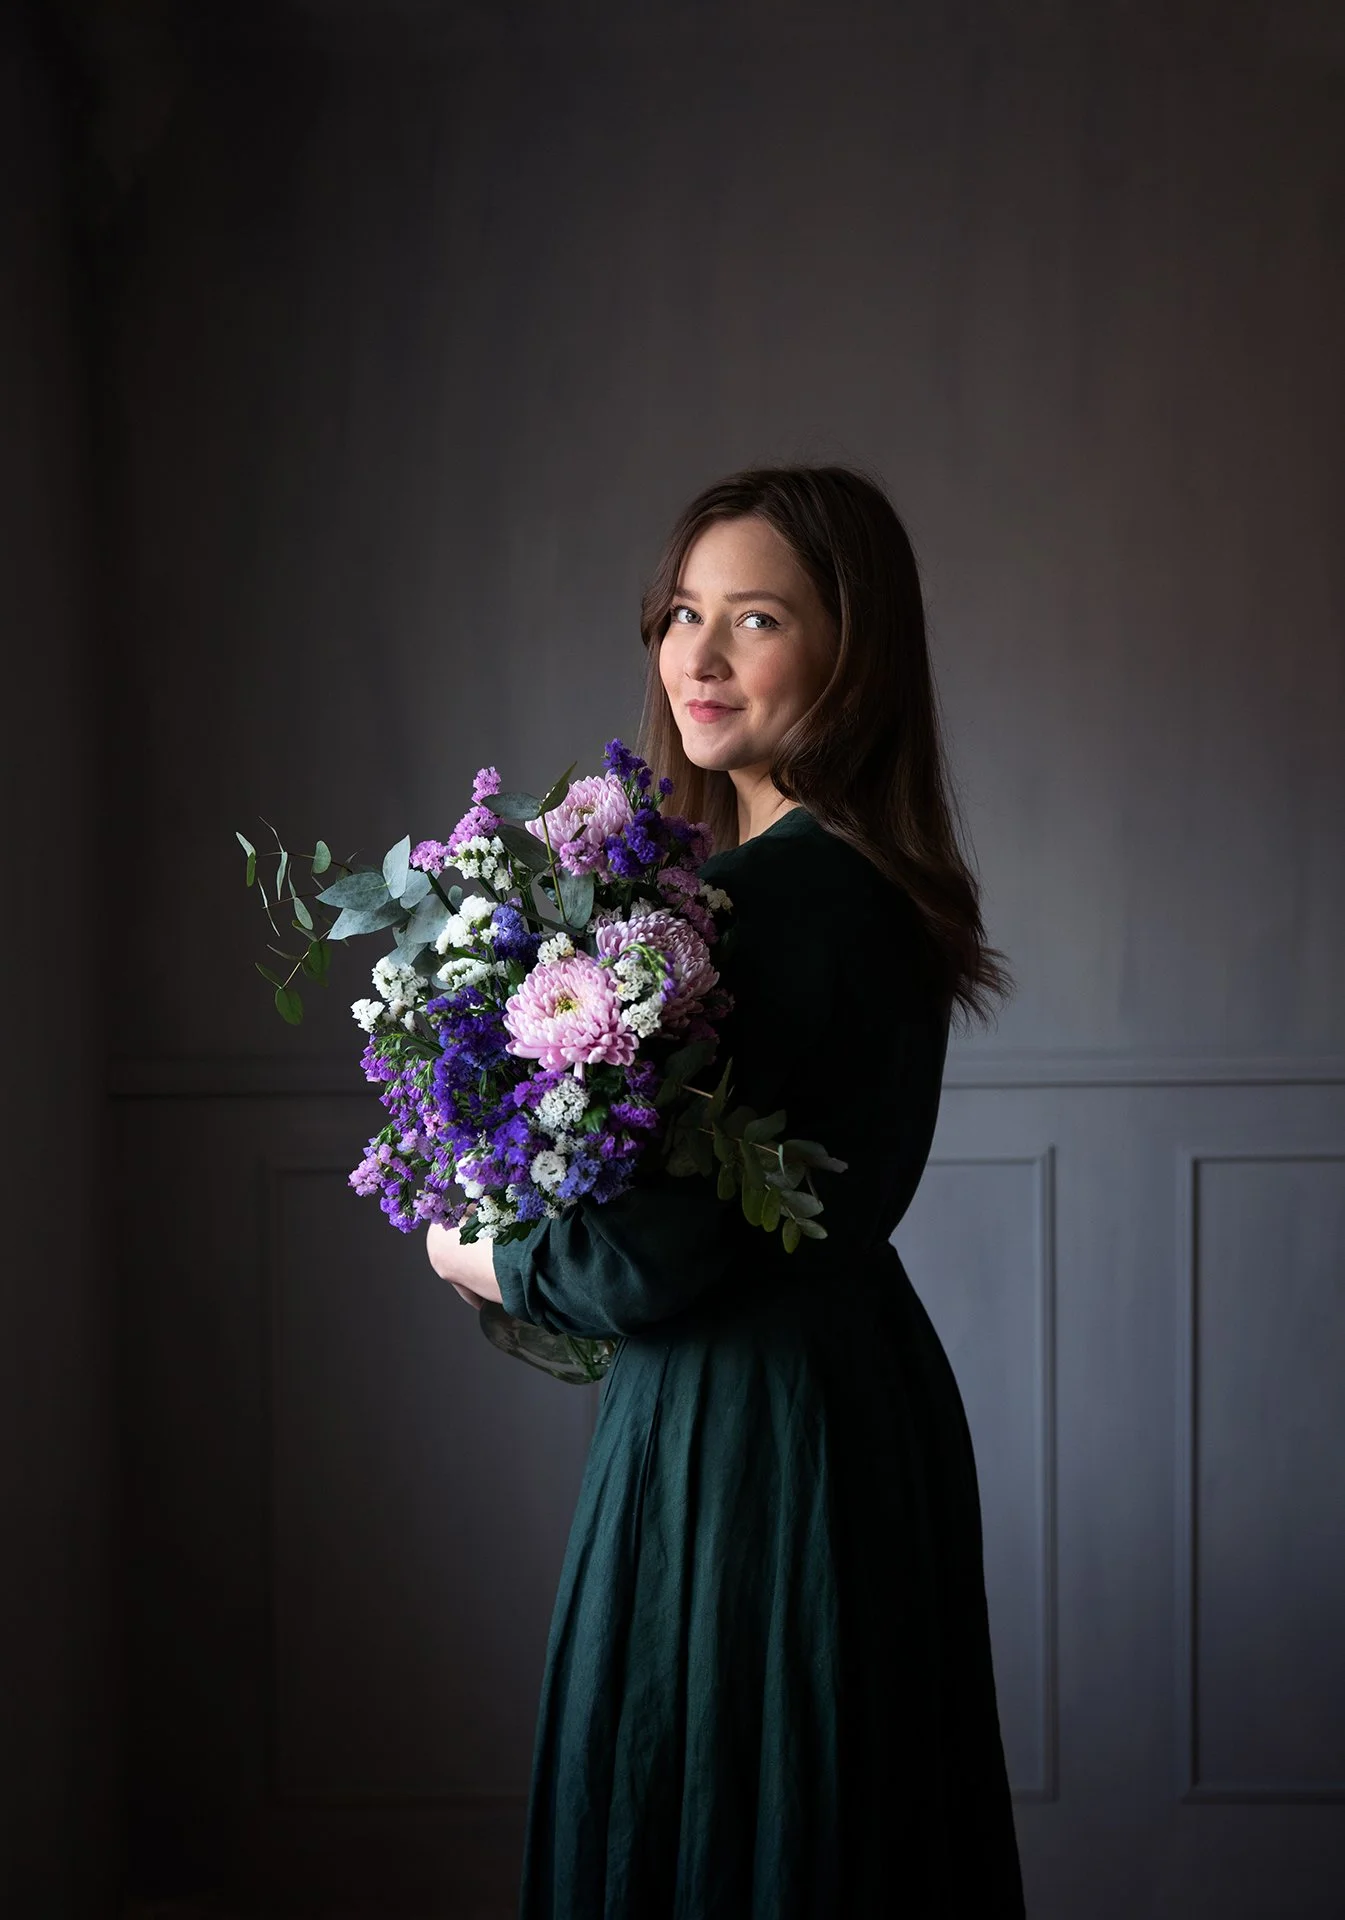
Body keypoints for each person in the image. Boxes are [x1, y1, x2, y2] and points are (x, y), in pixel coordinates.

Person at [427, 464, 1027, 1918]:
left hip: (748, 1437)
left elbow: (641, 1258)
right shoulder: (867, 883)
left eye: (755, 619)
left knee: (726, 1820)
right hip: (850, 1404)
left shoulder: (769, 904)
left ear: (852, 652)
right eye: (681, 614)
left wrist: (476, 1252)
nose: (696, 658)